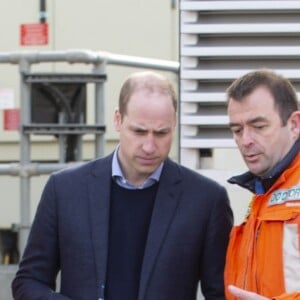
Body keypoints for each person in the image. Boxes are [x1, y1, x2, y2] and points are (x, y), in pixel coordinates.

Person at [12, 71, 233, 300]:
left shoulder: (206, 200)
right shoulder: (65, 190)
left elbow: (220, 293)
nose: (149, 146)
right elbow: (28, 281)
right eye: (139, 131)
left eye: (161, 133)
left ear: (174, 124)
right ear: (118, 120)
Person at [224, 69, 300, 300]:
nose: (246, 140)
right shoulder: (262, 192)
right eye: (237, 130)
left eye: (259, 127)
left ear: (295, 124)